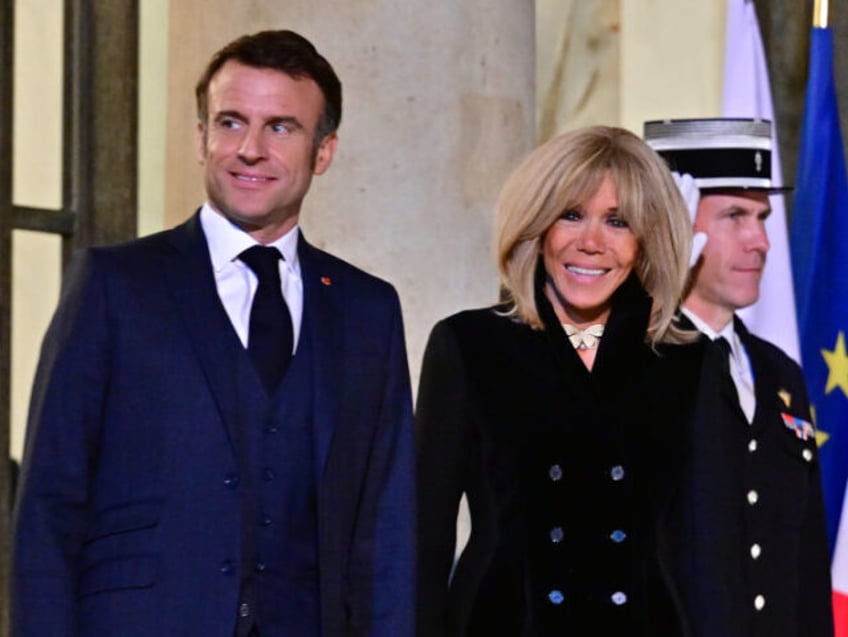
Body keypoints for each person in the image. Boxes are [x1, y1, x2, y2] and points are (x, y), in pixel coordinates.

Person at [11, 30, 414, 637]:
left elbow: (384, 531)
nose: (249, 149)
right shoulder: (113, 285)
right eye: (230, 122)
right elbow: (49, 507)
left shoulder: (367, 310)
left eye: (280, 127)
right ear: (201, 138)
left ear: (323, 151)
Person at [416, 126, 705, 636]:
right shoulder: (470, 345)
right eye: (571, 215)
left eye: (618, 222)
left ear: (646, 241)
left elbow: (704, 545)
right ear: (538, 226)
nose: (591, 243)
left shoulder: (687, 361)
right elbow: (423, 535)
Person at [645, 117, 834, 637]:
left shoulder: (780, 373)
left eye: (763, 217)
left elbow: (805, 560)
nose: (761, 242)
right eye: (734, 215)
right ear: (676, 222)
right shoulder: (638, 363)